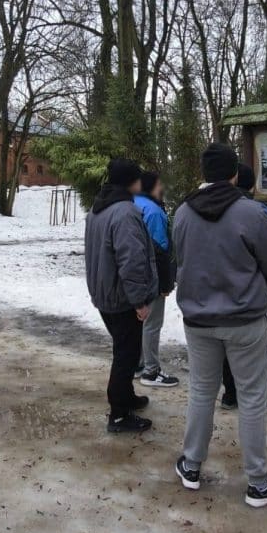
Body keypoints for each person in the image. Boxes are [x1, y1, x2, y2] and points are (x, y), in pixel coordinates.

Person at [173, 142, 267, 508]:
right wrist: (258, 286)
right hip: (244, 319)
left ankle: (191, 465)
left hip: (197, 318)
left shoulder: (181, 213)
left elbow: (181, 258)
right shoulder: (251, 213)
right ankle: (258, 482)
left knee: (201, 391)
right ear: (233, 174)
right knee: (252, 397)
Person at [85, 158, 159, 433]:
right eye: (138, 178)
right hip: (122, 297)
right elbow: (131, 260)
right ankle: (118, 415)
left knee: (124, 351)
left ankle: (126, 398)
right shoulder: (125, 212)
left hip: (106, 294)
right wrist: (139, 300)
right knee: (126, 356)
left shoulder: (98, 208)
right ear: (131, 182)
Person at [220, 163, 267, 409]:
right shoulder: (259, 210)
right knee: (261, 341)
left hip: (220, 287)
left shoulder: (213, 207)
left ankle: (230, 394)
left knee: (225, 342)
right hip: (252, 290)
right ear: (250, 184)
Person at [133, 172, 179, 388]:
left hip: (132, 276)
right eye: (160, 184)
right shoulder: (153, 211)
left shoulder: (132, 204)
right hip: (151, 279)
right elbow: (160, 250)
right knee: (152, 323)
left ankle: (138, 364)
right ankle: (151, 371)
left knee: (138, 321)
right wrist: (165, 283)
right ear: (152, 187)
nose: (162, 188)